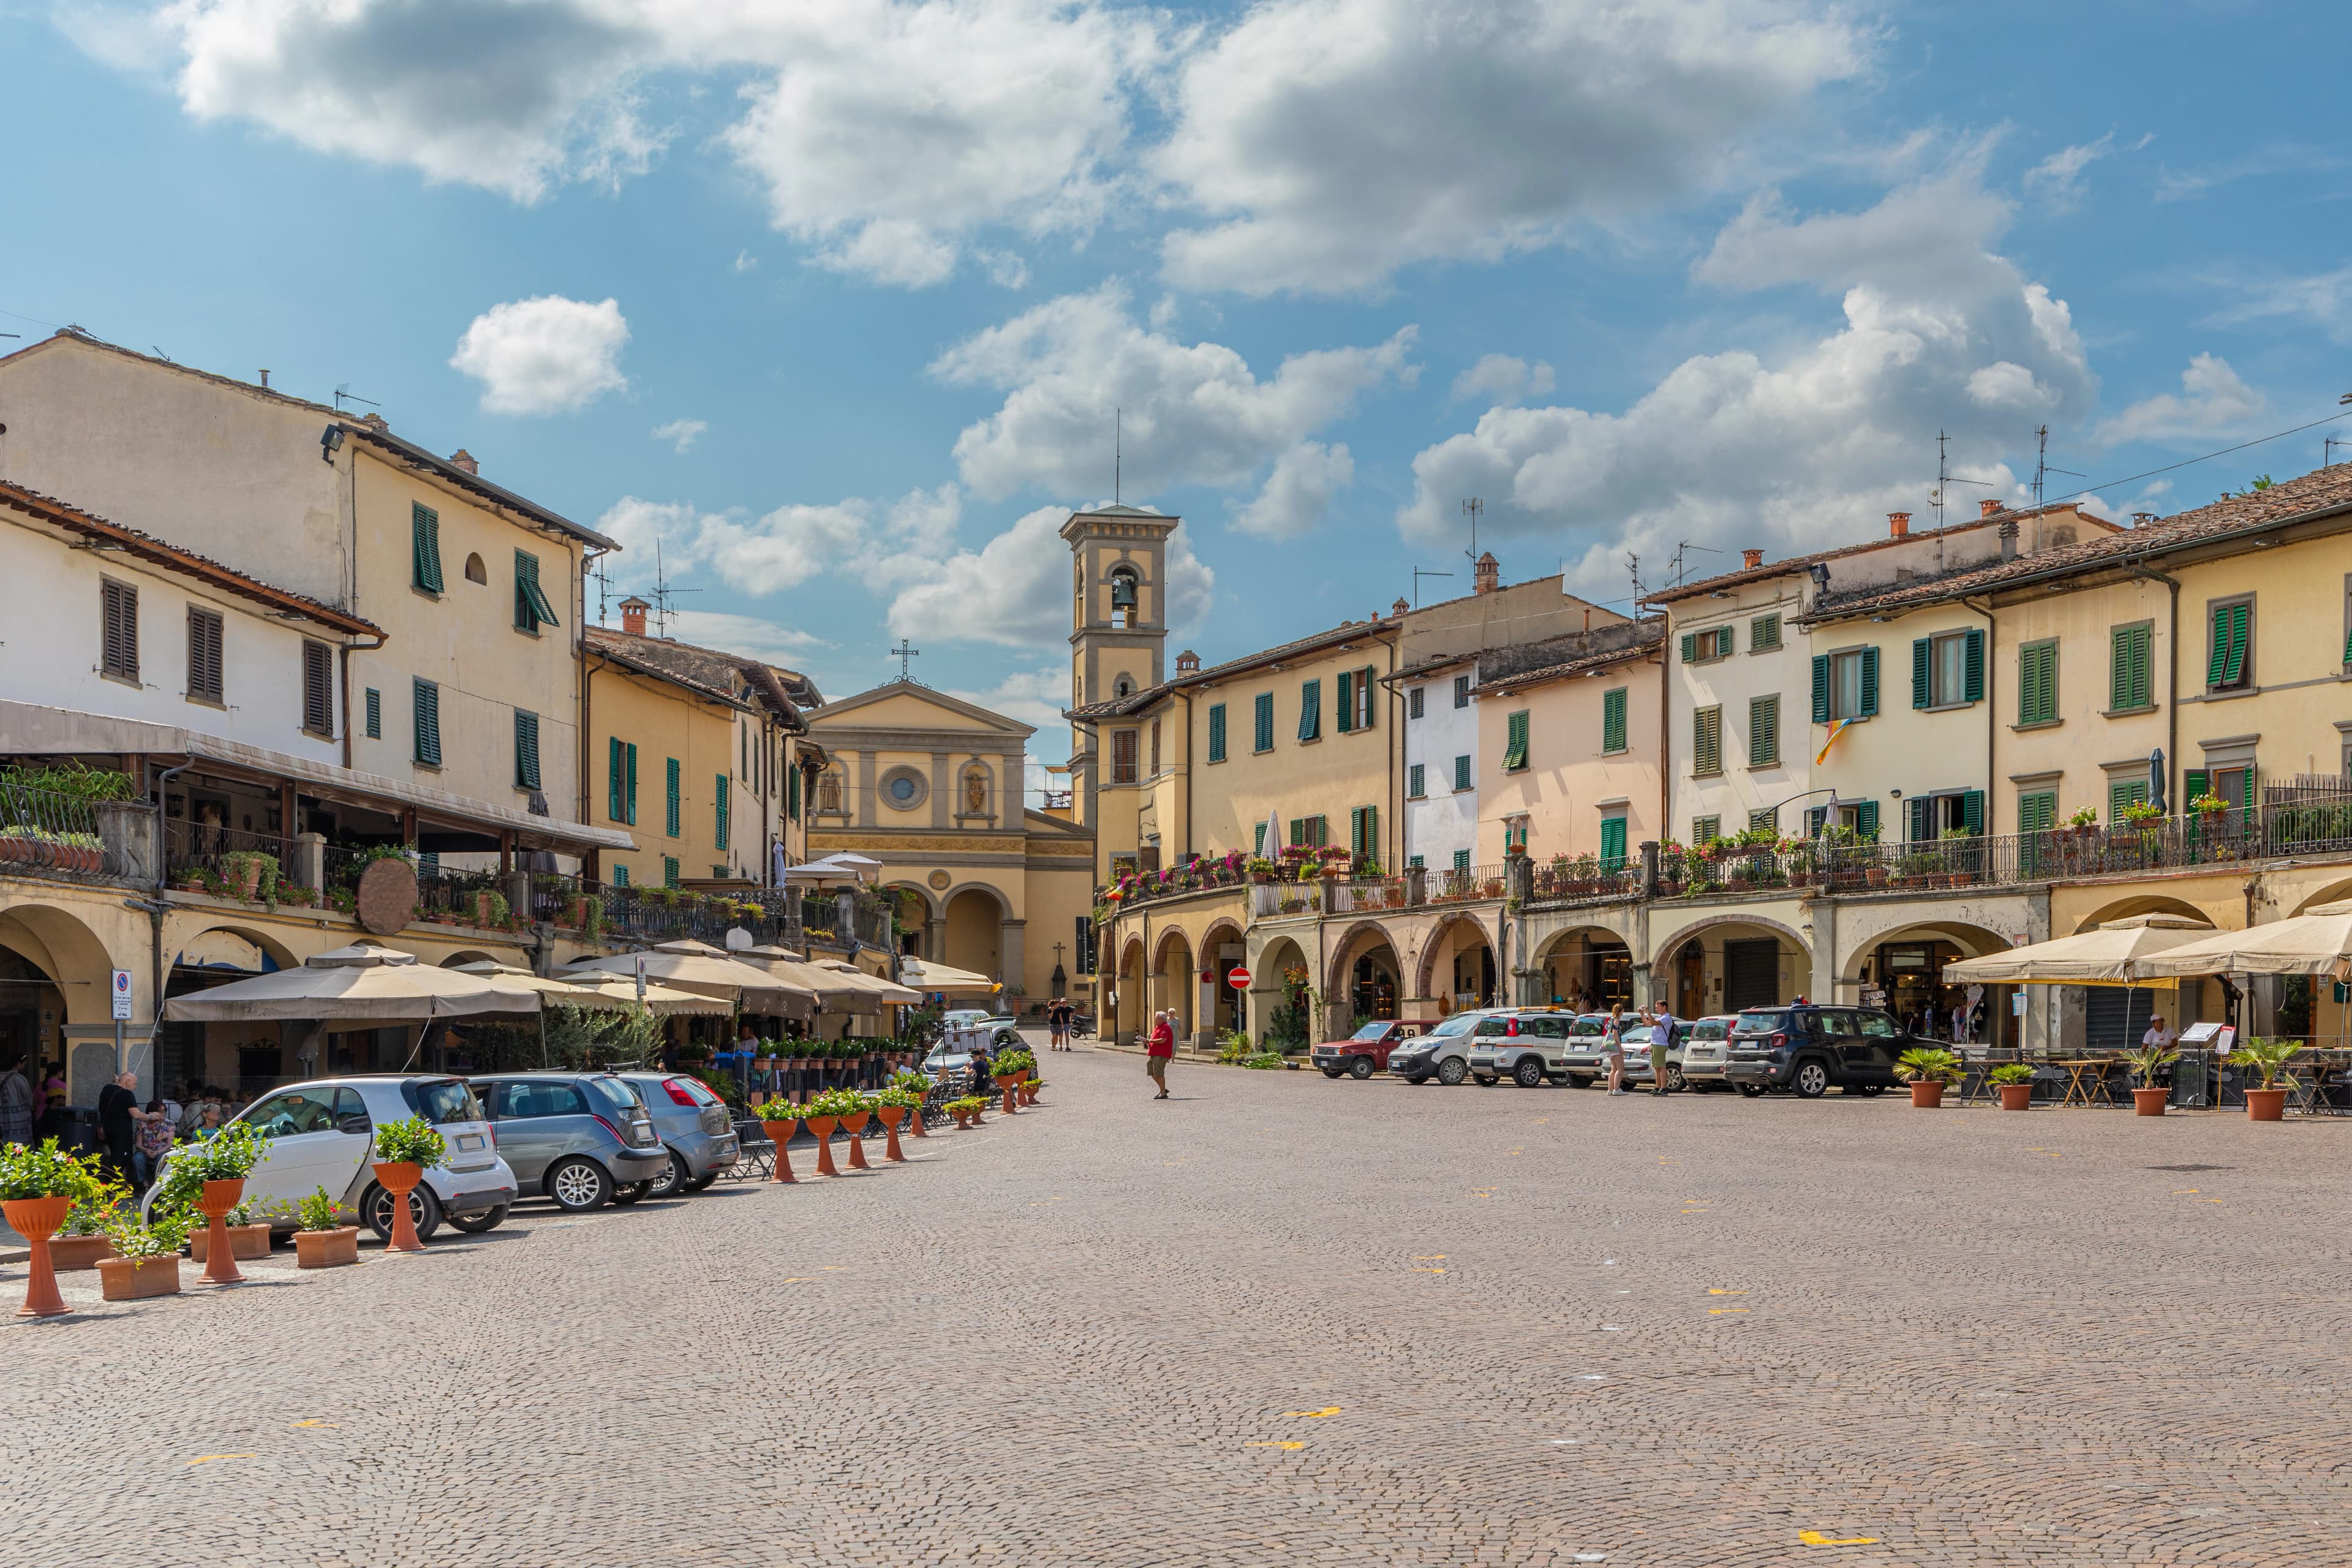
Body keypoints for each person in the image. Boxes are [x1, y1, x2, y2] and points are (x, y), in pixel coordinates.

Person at [96, 1068, 139, 1186]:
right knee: (121, 1159)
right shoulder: (127, 1094)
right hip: (122, 1132)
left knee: (115, 1156)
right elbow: (135, 1114)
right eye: (134, 1084)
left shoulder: (107, 1089)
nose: (135, 1087)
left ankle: (113, 1185)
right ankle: (113, 1187)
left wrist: (117, 1081)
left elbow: (116, 1086)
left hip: (107, 1129)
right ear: (128, 1081)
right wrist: (151, 1116)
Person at [132, 1097, 176, 1188]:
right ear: (152, 1112)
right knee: (137, 1158)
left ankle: (157, 1184)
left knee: (162, 1158)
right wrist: (146, 1150)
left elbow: (170, 1144)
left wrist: (159, 1151)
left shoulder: (169, 1124)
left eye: (164, 1111)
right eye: (161, 1111)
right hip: (145, 1150)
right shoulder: (142, 1125)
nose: (163, 1114)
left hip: (162, 1149)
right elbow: (138, 1144)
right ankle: (145, 1184)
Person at [0, 1049, 33, 1148]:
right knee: (19, 1144)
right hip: (18, 1117)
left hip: (2, 1115)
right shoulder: (18, 1078)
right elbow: (28, 1098)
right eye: (24, 1064)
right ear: (19, 1064)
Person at [1648, 1002, 1680, 1096]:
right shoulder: (1660, 1017)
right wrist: (1642, 1014)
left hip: (1661, 1044)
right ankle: (1657, 1087)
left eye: (1658, 1007)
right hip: (1655, 1044)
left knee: (1661, 1067)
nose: (1656, 1009)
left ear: (1664, 1007)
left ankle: (1663, 1089)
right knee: (1657, 1067)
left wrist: (1648, 1012)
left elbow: (1653, 1023)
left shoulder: (1666, 1017)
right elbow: (1648, 1023)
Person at [1147, 1008, 1175, 1099]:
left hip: (1161, 1054)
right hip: (1154, 1053)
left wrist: (1150, 1041)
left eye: (1156, 1018)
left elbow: (1163, 1040)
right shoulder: (1158, 1027)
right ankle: (1163, 1089)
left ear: (1162, 1019)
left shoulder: (1165, 1027)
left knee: (1159, 1073)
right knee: (1151, 1071)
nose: (1155, 1020)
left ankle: (1163, 1093)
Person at [1604, 1005, 1628, 1096]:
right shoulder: (1617, 1020)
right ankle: (1617, 1089)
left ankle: (1610, 1089)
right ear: (1621, 1011)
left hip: (1609, 1046)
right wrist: (1620, 1047)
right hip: (1615, 1046)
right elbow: (1615, 1033)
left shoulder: (1610, 1019)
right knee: (1620, 1068)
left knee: (1613, 1068)